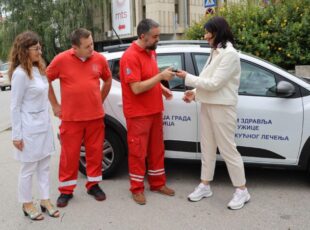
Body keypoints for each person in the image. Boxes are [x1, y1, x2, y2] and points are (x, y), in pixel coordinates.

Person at [175, 16, 251, 210]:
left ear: (218, 32)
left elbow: (216, 84)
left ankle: (242, 190)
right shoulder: (215, 51)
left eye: (208, 32)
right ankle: (205, 185)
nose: (205, 35)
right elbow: (208, 80)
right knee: (207, 147)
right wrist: (194, 94)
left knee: (227, 149)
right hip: (208, 104)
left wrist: (188, 79)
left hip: (223, 108)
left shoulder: (230, 54)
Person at [47, 28, 112, 207]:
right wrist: (55, 105)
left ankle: (93, 185)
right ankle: (66, 191)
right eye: (87, 46)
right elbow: (45, 80)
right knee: (69, 155)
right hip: (71, 119)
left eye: (92, 43)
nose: (92, 48)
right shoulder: (61, 60)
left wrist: (100, 99)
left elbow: (107, 79)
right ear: (74, 48)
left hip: (95, 117)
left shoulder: (99, 59)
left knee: (95, 152)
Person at [119, 18, 176, 205]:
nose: (158, 40)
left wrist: (161, 88)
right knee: (137, 152)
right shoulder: (130, 56)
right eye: (155, 36)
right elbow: (135, 88)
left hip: (154, 110)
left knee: (156, 150)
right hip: (138, 114)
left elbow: (150, 78)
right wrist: (160, 76)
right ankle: (136, 189)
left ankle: (158, 183)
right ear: (143, 36)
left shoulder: (151, 51)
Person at [9, 31, 59, 220]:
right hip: (28, 128)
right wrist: (16, 135)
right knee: (28, 168)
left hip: (44, 125)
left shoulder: (39, 70)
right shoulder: (21, 74)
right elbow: (15, 106)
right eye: (35, 48)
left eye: (40, 47)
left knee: (44, 165)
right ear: (24, 50)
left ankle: (45, 200)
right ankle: (27, 203)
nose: (40, 51)